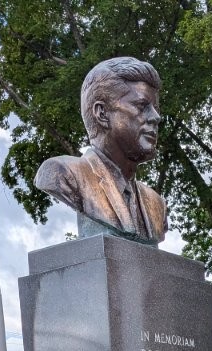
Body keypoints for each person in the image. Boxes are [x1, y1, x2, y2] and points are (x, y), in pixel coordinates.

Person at [35, 57, 167, 244]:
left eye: (155, 108)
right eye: (142, 106)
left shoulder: (156, 204)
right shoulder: (62, 174)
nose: (156, 117)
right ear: (102, 114)